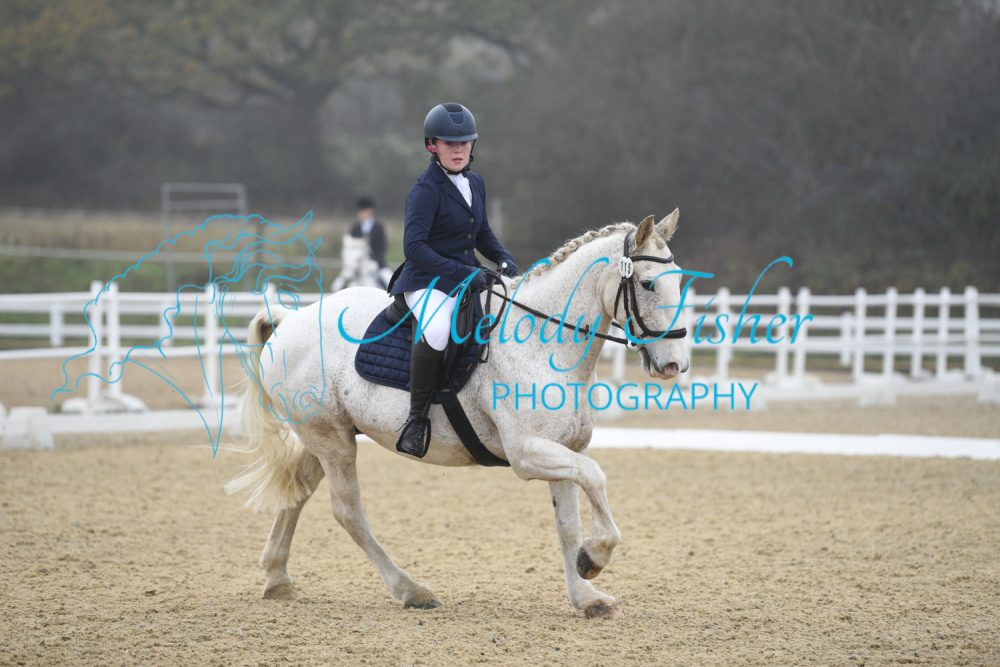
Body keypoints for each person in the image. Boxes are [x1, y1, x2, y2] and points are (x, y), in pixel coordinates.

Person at [390, 102, 519, 457]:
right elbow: (414, 248)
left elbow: (482, 233)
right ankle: (416, 420)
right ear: (432, 145)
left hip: (466, 277)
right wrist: (466, 273)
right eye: (450, 143)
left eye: (464, 142)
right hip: (427, 281)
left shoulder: (475, 182)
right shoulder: (425, 190)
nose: (459, 149)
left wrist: (504, 258)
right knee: (436, 330)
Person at [349, 196, 388, 274]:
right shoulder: (355, 228)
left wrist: (373, 260)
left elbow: (382, 248)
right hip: (356, 265)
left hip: (377, 263)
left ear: (371, 211)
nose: (363, 213)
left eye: (365, 211)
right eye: (361, 211)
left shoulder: (379, 227)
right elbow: (350, 247)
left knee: (389, 277)